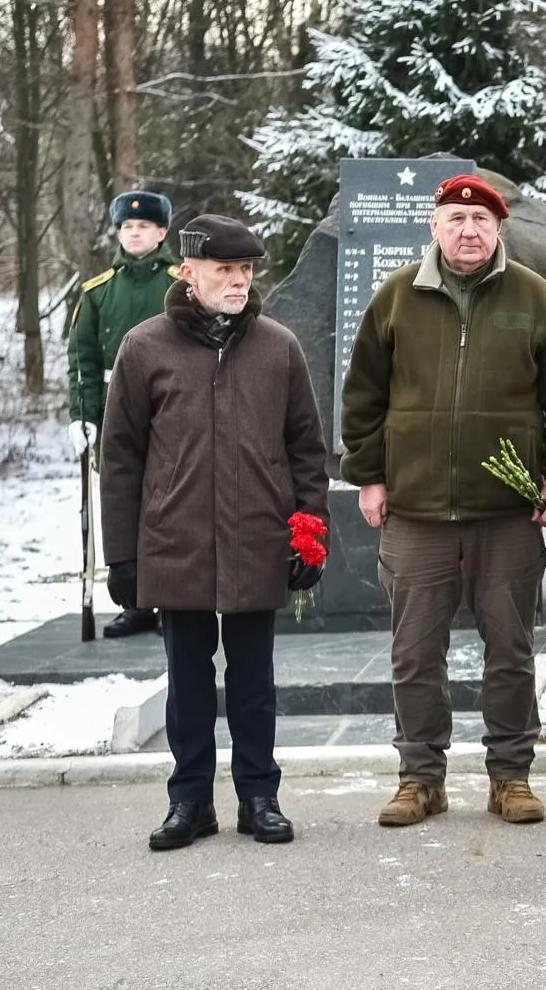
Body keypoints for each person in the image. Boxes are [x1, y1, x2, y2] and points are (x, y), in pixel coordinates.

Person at [340, 174, 546, 829]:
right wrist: (368, 476)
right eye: (455, 218)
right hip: (417, 512)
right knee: (414, 651)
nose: (468, 230)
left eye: (481, 219)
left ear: (499, 228)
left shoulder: (535, 299)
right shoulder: (397, 297)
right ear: (434, 226)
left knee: (509, 648)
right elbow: (364, 394)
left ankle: (510, 774)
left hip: (506, 514)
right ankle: (419, 777)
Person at [98, 214, 328, 850]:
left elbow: (307, 450)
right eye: (224, 270)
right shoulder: (144, 348)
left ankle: (260, 796)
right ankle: (190, 801)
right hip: (177, 541)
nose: (238, 281)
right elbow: (121, 459)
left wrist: (310, 535)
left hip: (258, 538)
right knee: (189, 680)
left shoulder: (279, 347)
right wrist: (122, 556)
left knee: (255, 679)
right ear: (188, 272)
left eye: (246, 270)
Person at [68, 189, 178, 638]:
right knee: (124, 500)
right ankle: (135, 602)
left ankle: (172, 595)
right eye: (127, 227)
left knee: (171, 498)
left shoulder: (178, 282)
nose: (135, 234)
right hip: (117, 408)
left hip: (171, 404)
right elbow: (83, 359)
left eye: (144, 227)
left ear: (162, 232)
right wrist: (83, 414)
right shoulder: (97, 292)